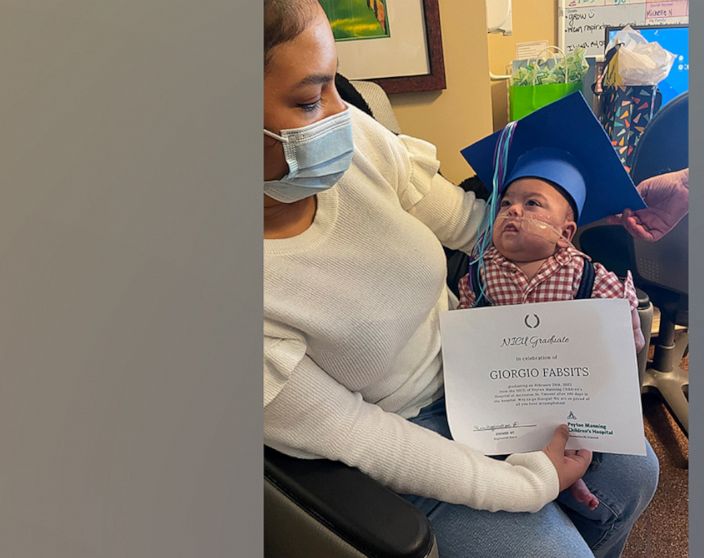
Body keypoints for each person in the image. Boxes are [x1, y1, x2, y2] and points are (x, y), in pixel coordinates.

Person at [262, 1, 658, 556]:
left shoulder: (356, 142)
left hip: (479, 367)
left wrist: (594, 216)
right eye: (309, 100)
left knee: (636, 473)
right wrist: (529, 485)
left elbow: (477, 228)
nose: (341, 115)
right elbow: (360, 436)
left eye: (335, 85)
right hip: (399, 430)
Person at [455, 93, 650, 512]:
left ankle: (573, 483)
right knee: (501, 460)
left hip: (571, 405)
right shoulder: (478, 272)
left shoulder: (591, 277)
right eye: (505, 203)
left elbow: (626, 341)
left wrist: (624, 327)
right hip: (505, 406)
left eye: (531, 205)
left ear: (565, 232)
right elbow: (464, 337)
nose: (512, 212)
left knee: (586, 456)